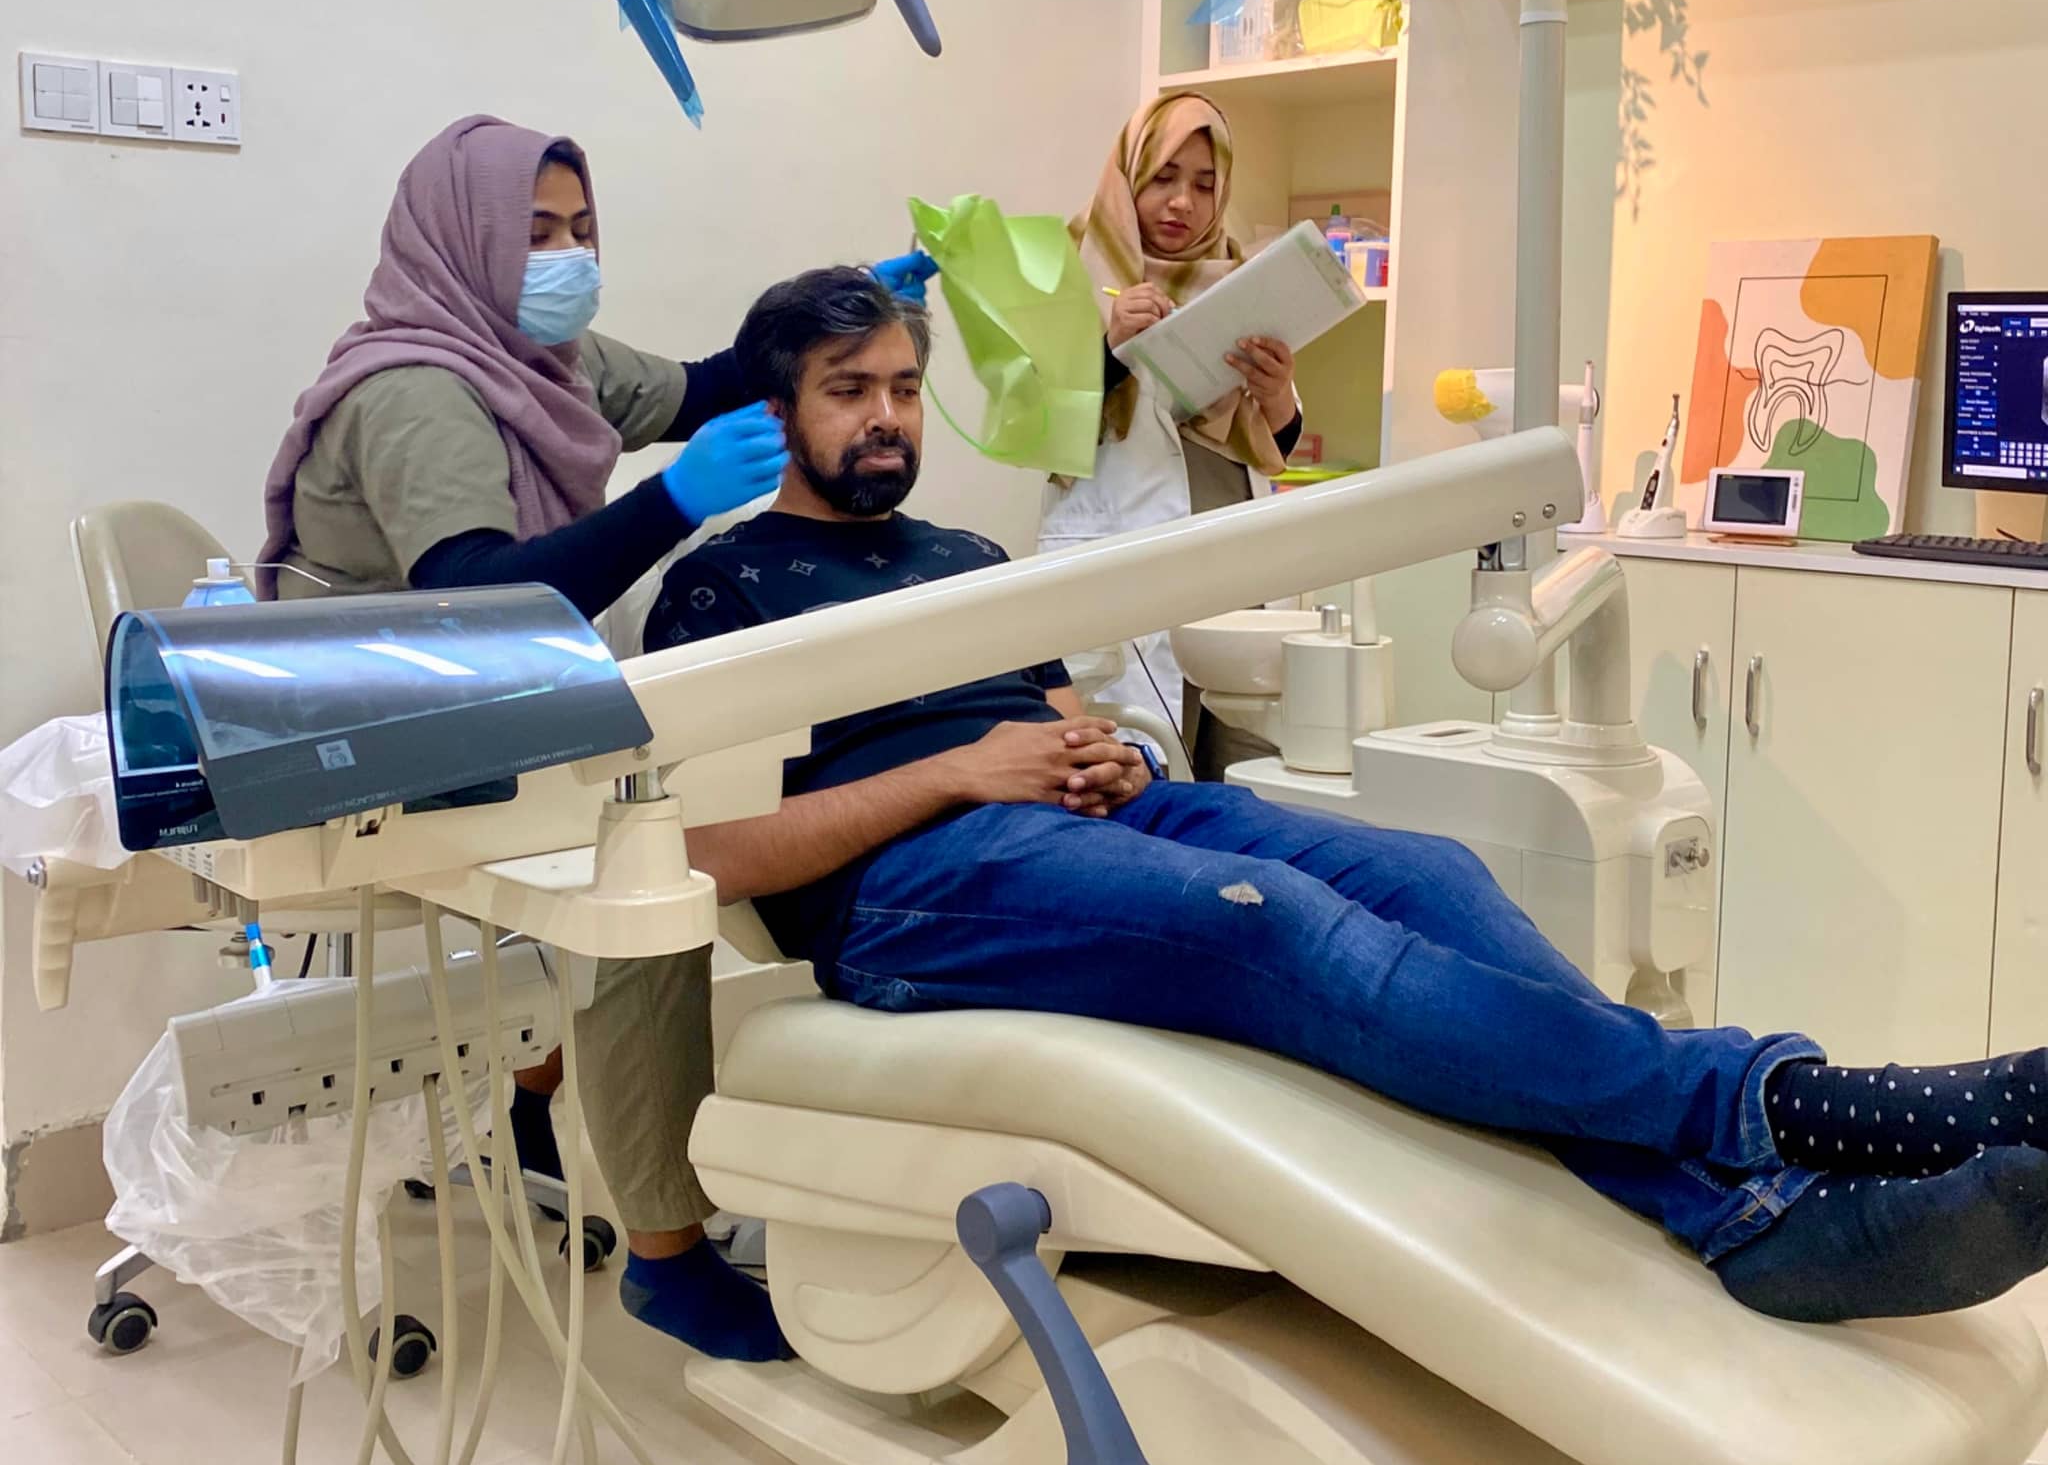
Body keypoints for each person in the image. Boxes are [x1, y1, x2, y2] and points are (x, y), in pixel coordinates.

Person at [643, 263, 2048, 1328]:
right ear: (778, 414)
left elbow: (1049, 714)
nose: (886, 416)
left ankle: (1752, 1217)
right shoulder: (726, 583)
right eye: (849, 390)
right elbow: (714, 848)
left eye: (900, 386)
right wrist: (959, 769)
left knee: (1432, 876)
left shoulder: (959, 551)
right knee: (1269, 927)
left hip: (1079, 810)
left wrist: (1101, 749)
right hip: (905, 890)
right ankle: (1778, 1105)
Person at [258, 113, 931, 1363]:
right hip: (379, 735)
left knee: (649, 816)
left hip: (481, 703)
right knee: (648, 873)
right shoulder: (419, 389)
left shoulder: (543, 356)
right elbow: (479, 607)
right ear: (461, 241)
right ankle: (667, 1259)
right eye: (533, 234)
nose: (566, 256)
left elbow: (704, 381)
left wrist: (849, 309)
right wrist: (670, 502)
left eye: (581, 229)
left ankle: (536, 1113)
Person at [1040, 91, 1304, 775]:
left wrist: (1276, 393)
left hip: (1230, 541)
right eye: (1164, 176)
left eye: (1204, 183)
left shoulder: (1241, 273)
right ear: (1130, 175)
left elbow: (1279, 433)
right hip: (1125, 538)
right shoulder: (1071, 267)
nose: (1183, 201)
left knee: (1243, 754)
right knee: (1142, 748)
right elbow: (1034, 423)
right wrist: (1109, 345)